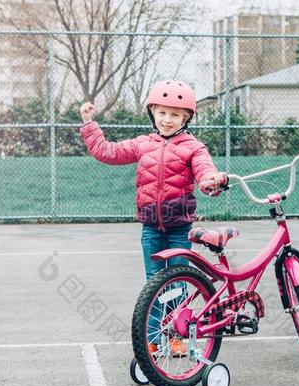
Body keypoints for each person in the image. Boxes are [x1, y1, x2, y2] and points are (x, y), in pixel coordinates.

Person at [79, 79, 226, 356]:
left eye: (174, 114)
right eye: (162, 113)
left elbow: (205, 171)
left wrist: (210, 181)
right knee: (154, 283)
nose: (167, 120)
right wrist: (89, 124)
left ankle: (178, 336)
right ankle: (154, 337)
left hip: (179, 228)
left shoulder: (194, 147)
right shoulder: (143, 144)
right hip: (151, 228)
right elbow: (108, 152)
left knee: (179, 282)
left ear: (186, 118)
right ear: (153, 113)